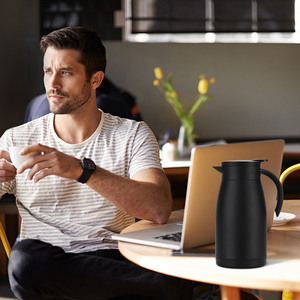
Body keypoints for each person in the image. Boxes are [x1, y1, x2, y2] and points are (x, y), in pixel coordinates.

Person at [0, 27, 199, 300]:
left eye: (65, 73)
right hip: (51, 270)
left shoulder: (132, 134)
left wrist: (83, 171)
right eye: (48, 71)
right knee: (24, 260)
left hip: (115, 262)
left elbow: (159, 209)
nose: (53, 84)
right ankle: (183, 287)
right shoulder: (16, 139)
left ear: (95, 79)